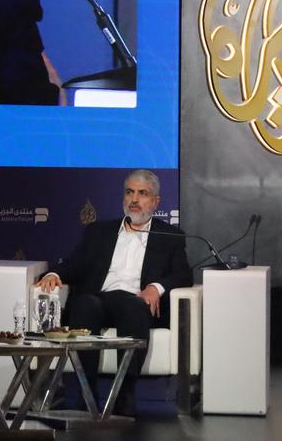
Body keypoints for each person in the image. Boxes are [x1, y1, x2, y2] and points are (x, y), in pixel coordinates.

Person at [35, 170, 192, 416]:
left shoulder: (169, 236)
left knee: (132, 307)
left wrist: (155, 288)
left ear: (156, 201)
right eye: (130, 192)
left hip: (135, 301)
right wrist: (54, 274)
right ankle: (86, 395)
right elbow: (75, 264)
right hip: (99, 299)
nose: (134, 199)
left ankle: (123, 395)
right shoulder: (99, 231)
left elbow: (183, 275)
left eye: (142, 193)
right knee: (84, 305)